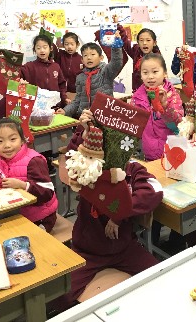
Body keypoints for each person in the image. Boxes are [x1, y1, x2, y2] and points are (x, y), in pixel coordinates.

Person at [49, 111, 163, 314]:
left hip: (124, 248)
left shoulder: (132, 169)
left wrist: (119, 213)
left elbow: (154, 191)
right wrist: (83, 131)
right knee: (58, 296)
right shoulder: (88, 167)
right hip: (88, 251)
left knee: (161, 276)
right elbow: (70, 160)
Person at [0, 118, 57, 230]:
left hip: (40, 217)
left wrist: (23, 185)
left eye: (12, 139)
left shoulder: (34, 161)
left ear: (22, 140)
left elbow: (47, 192)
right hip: (14, 213)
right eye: (0, 141)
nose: (7, 145)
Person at [131, 53, 184, 161]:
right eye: (145, 72)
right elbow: (133, 126)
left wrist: (165, 106)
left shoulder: (172, 96)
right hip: (148, 155)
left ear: (165, 73)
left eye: (155, 72)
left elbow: (176, 125)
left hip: (170, 155)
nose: (150, 76)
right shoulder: (137, 98)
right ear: (141, 75)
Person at [59, 38, 124, 119]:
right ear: (82, 60)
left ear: (101, 57)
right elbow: (77, 101)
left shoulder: (105, 72)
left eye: (93, 54)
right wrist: (65, 111)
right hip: (85, 117)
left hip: (104, 116)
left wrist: (116, 45)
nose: (89, 58)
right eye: (85, 55)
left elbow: (116, 62)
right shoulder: (80, 77)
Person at [17, 33, 67, 107]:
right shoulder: (29, 66)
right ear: (34, 50)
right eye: (38, 48)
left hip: (54, 106)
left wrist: (64, 99)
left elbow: (62, 86)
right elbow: (15, 75)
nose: (42, 50)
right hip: (36, 106)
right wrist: (20, 81)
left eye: (45, 47)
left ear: (51, 48)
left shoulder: (56, 66)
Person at [121, 28, 161, 92]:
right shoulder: (136, 52)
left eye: (148, 40)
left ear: (154, 43)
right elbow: (126, 43)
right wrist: (118, 26)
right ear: (138, 43)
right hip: (137, 92)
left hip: (153, 92)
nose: (144, 43)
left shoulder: (158, 59)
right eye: (141, 40)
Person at [53, 32, 84, 98]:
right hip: (59, 91)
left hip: (74, 92)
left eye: (72, 44)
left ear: (77, 44)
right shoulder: (60, 55)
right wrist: (57, 37)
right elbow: (51, 46)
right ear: (63, 45)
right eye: (66, 44)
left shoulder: (81, 59)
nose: (69, 47)